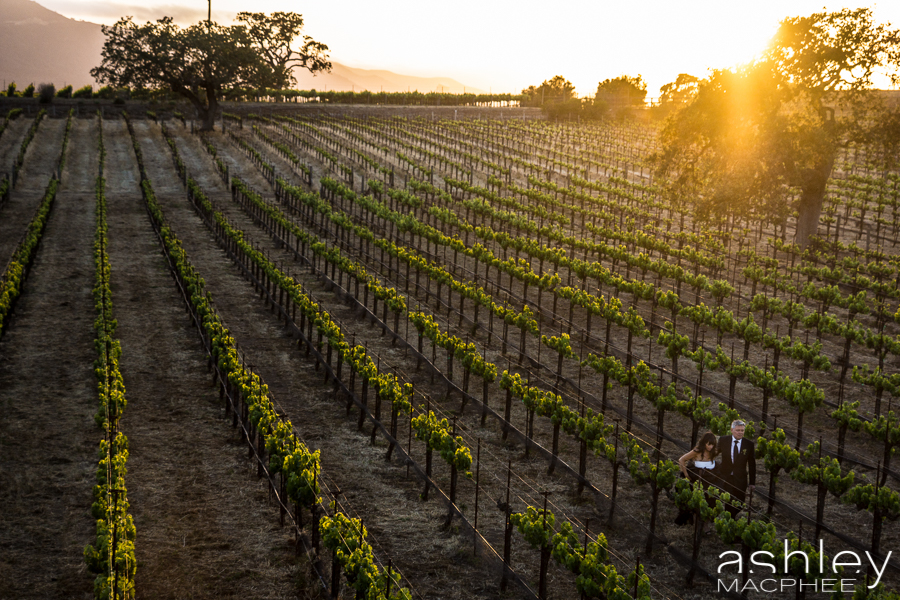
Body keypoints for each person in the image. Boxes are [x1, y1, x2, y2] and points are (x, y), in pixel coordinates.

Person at [674, 432, 720, 526]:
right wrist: (686, 474)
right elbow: (681, 460)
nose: (710, 447)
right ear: (704, 443)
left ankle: (706, 525)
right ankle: (695, 521)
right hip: (698, 483)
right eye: (708, 444)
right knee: (696, 503)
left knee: (710, 504)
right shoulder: (697, 451)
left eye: (712, 444)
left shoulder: (713, 452)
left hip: (710, 483)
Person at [717, 420, 756, 517]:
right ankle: (729, 521)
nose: (740, 432)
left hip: (740, 478)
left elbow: (752, 464)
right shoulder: (723, 440)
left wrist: (752, 482)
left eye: (742, 430)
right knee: (729, 500)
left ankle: (733, 518)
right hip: (726, 476)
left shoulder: (749, 445)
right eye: (738, 430)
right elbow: (714, 453)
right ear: (732, 430)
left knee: (740, 502)